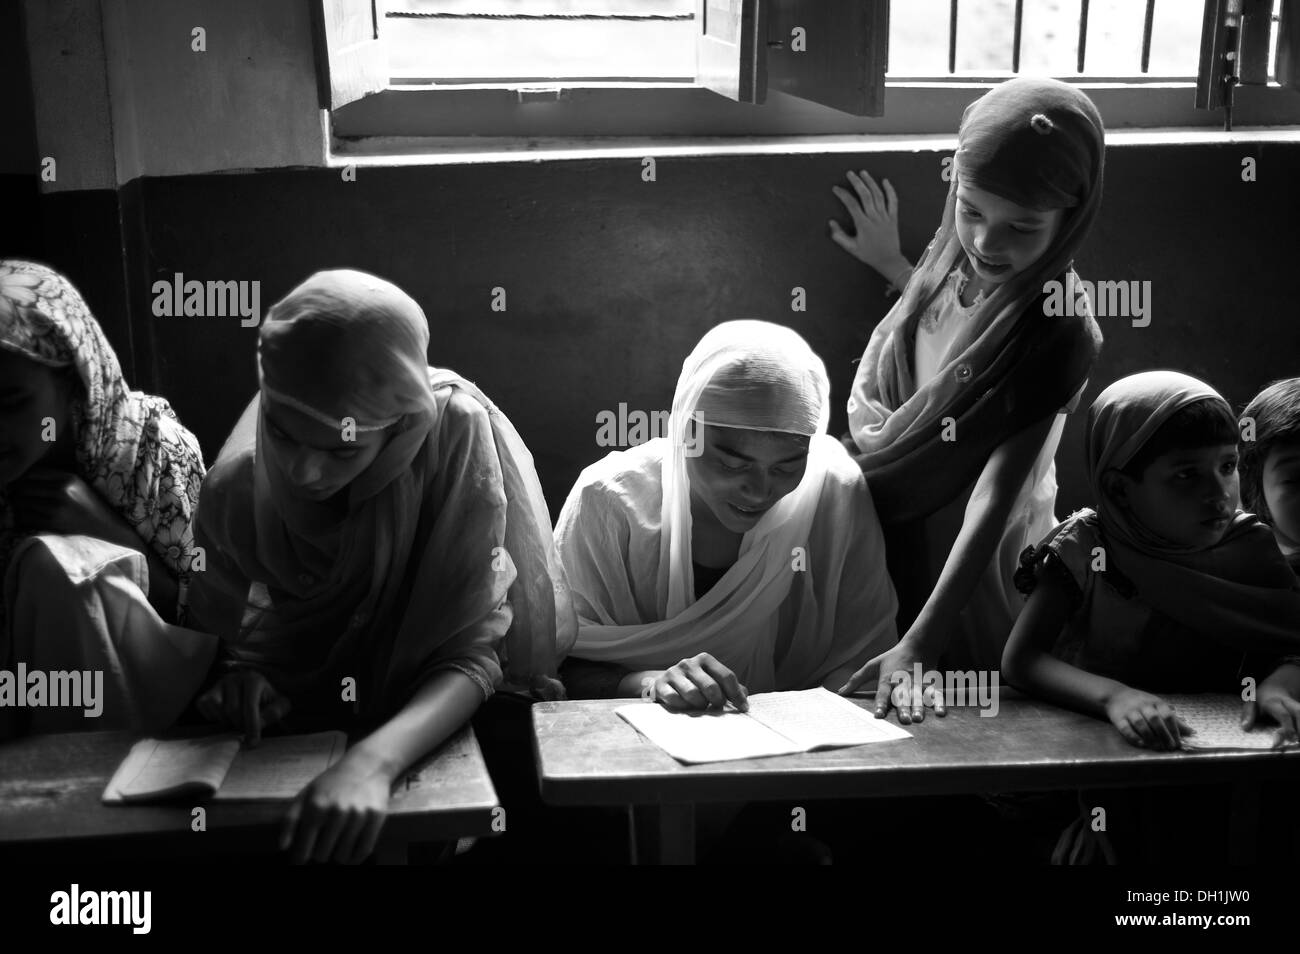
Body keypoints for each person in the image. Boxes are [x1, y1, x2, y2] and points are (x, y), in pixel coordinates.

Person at [187, 269, 575, 863]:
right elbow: (224, 644)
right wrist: (243, 682)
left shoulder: (449, 438)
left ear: (402, 428)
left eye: (343, 450)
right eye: (285, 436)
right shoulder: (239, 485)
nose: (303, 474)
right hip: (306, 726)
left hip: (443, 707)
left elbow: (470, 652)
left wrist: (371, 765)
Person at [831, 77, 1106, 720]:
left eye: (1022, 226)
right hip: (899, 524)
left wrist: (923, 639)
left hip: (975, 562)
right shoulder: (952, 264)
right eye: (972, 209)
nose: (987, 242)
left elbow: (995, 494)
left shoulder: (1056, 331)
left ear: (1072, 216)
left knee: (957, 712)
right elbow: (952, 348)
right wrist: (894, 265)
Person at [556, 319, 897, 708]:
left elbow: (861, 658)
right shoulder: (610, 500)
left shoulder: (831, 490)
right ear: (686, 431)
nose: (760, 489)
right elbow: (552, 663)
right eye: (732, 463)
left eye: (787, 466)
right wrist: (646, 682)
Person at [1002, 371, 1300, 749]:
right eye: (1187, 474)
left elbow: (1290, 641)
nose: (1220, 493)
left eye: (1227, 467)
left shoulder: (1248, 546)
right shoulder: (1087, 549)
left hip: (1223, 747)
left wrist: (1281, 682)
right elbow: (1022, 660)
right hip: (1091, 742)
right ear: (1119, 489)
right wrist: (1115, 697)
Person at [0, 260, 213, 736]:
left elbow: (212, 621)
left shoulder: (154, 450)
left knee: (60, 564)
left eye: (11, 403)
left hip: (167, 722)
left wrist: (108, 536)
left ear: (75, 380)